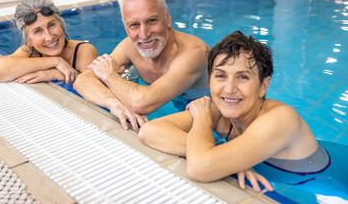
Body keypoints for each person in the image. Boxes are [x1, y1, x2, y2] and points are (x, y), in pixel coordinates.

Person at [139, 31, 335, 194]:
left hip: (327, 181)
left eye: (242, 77)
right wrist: (226, 158)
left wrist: (202, 123)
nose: (229, 88)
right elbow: (150, 131)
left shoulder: (281, 119)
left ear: (263, 86)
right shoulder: (223, 110)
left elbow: (199, 167)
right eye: (220, 76)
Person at [74, 0, 210, 132]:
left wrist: (108, 75)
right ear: (126, 28)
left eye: (152, 21)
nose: (144, 35)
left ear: (168, 18)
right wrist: (113, 103)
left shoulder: (194, 53)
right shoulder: (129, 47)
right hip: (175, 103)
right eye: (134, 25)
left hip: (211, 114)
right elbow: (82, 80)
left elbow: (141, 104)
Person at [0, 0, 98, 85]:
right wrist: (56, 62)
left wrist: (56, 75)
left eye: (51, 25)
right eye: (38, 31)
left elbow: (90, 88)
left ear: (62, 25)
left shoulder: (83, 51)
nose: (49, 37)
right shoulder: (29, 52)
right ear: (29, 41)